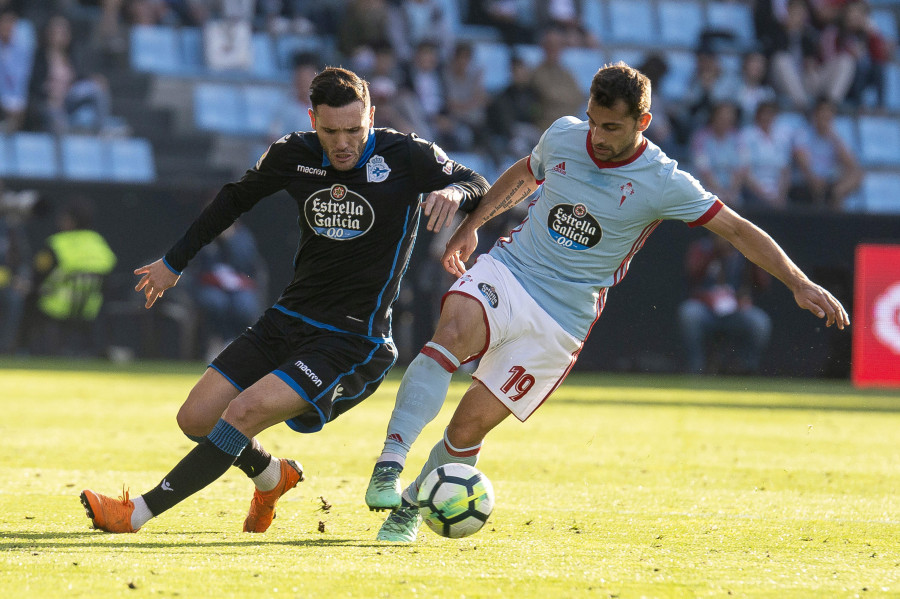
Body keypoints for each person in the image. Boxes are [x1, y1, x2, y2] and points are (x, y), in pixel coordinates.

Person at [365, 61, 849, 542]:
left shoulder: (663, 180)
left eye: (611, 126)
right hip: (511, 272)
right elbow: (526, 174)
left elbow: (738, 229)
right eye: (593, 120)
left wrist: (797, 282)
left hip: (562, 319)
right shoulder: (564, 134)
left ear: (643, 123)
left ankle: (410, 506)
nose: (596, 134)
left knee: (469, 427)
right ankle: (391, 460)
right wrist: (470, 226)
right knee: (449, 333)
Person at [79, 67, 489, 534]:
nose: (342, 143)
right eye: (330, 131)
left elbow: (477, 181)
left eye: (354, 130)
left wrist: (453, 191)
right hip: (288, 318)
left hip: (351, 339)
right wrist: (175, 262)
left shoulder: (406, 154)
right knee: (195, 418)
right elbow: (233, 200)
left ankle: (137, 514)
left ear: (371, 117)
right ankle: (272, 477)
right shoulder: (293, 153)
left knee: (242, 414)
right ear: (312, 119)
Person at [677, 232, 772, 375]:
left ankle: (746, 368)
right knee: (689, 313)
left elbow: (762, 284)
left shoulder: (744, 252)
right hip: (706, 308)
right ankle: (697, 366)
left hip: (737, 311)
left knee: (759, 322)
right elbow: (691, 275)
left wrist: (752, 257)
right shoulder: (702, 248)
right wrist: (714, 252)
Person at [792, 97, 863, 210]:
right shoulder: (803, 133)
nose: (825, 118)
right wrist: (814, 178)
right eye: (822, 114)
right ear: (815, 115)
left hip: (829, 182)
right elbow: (803, 163)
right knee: (816, 183)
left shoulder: (835, 136)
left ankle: (835, 205)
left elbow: (852, 165)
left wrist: (835, 139)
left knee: (857, 176)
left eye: (829, 114)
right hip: (808, 181)